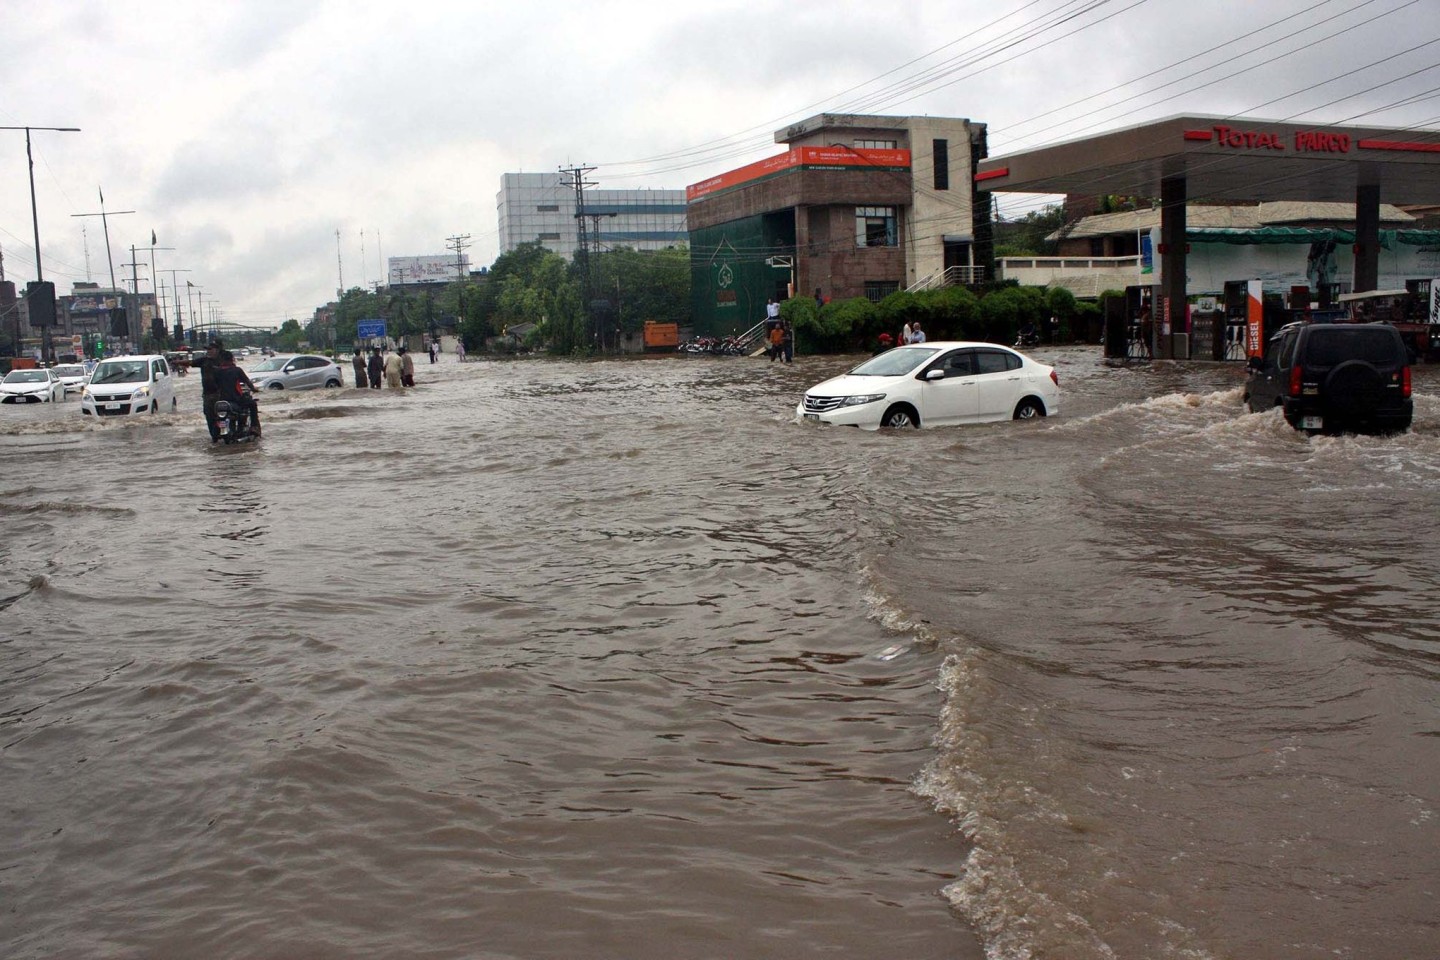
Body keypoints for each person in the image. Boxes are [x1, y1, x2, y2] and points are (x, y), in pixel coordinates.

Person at [213, 350, 260, 438]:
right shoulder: (237, 370)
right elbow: (247, 381)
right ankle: (254, 426)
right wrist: (254, 389)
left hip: (222, 399)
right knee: (253, 404)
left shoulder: (216, 371)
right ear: (232, 359)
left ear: (221, 360)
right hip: (236, 399)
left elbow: (214, 386)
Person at [195, 339, 224, 441]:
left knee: (222, 415)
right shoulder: (203, 361)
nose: (208, 351)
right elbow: (190, 362)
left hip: (221, 394)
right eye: (207, 349)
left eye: (210, 349)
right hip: (207, 394)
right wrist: (177, 362)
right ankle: (214, 436)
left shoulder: (223, 360)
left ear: (217, 350)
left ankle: (223, 433)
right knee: (209, 415)